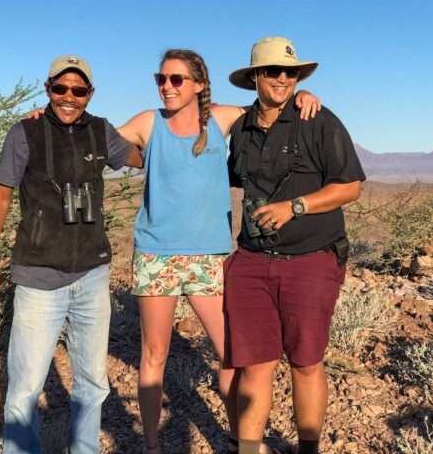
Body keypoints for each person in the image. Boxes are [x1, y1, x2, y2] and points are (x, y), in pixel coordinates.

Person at [27, 50, 320, 453]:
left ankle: (239, 439)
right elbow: (92, 135)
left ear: (199, 84)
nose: (167, 86)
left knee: (232, 355)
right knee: (154, 355)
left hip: (210, 256)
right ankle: (151, 446)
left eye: (177, 79)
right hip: (156, 255)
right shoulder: (149, 123)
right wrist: (47, 117)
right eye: (161, 79)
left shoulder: (223, 118)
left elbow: (271, 103)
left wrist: (304, 97)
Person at [0, 55, 142, 454]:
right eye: (60, 88)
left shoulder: (101, 131)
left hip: (92, 274)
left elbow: (143, 156)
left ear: (90, 93)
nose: (69, 97)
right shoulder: (24, 132)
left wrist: (175, 130)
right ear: (47, 88)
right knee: (26, 386)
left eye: (78, 90)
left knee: (92, 382)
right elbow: (0, 194)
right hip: (38, 275)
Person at [224, 37, 366, 454]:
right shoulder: (241, 129)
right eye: (273, 71)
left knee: (305, 363)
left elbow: (351, 187)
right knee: (255, 366)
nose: (284, 79)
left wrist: (295, 206)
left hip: (310, 259)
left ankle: (308, 449)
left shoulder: (318, 120)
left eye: (291, 73)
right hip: (251, 260)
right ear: (255, 77)